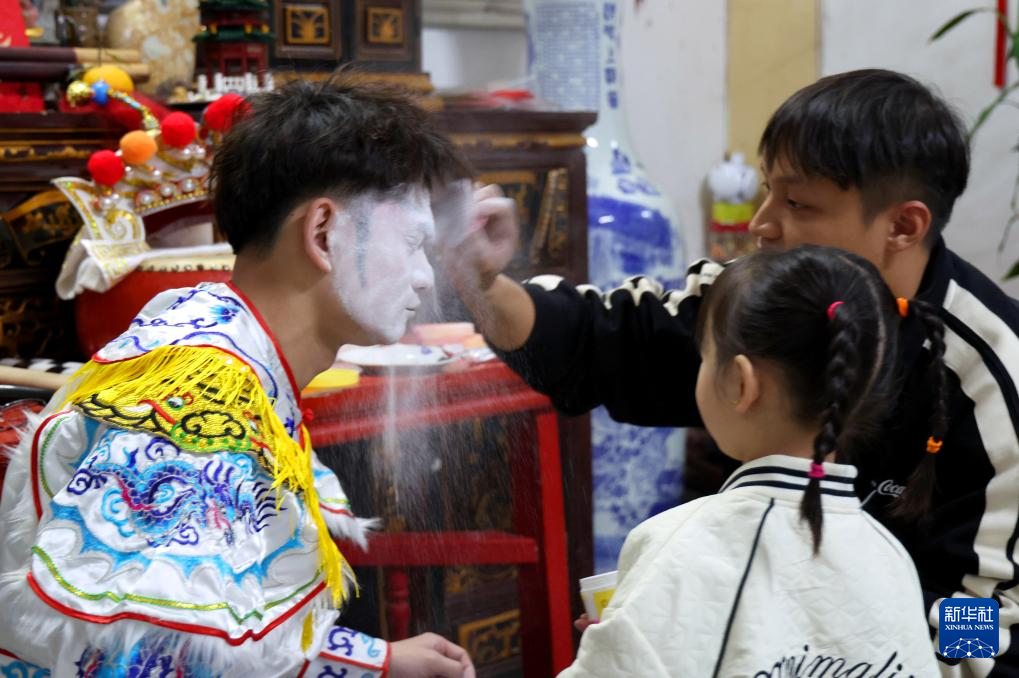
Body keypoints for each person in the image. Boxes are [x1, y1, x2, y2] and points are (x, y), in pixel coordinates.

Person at [449, 69, 1019, 674]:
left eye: (797, 203)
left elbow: (995, 624)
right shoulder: (756, 304)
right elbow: (605, 339)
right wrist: (481, 278)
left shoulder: (994, 380)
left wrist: (809, 639)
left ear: (903, 225)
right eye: (767, 190)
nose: (760, 224)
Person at [0, 76, 506, 677]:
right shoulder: (199, 400)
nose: (424, 277)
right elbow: (151, 655)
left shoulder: (221, 336)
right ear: (324, 233)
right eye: (413, 242)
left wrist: (379, 661)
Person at [558, 246, 941, 676]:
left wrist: (628, 640)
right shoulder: (891, 557)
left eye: (704, 357)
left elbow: (990, 624)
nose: (765, 225)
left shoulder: (678, 544)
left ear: (742, 383)